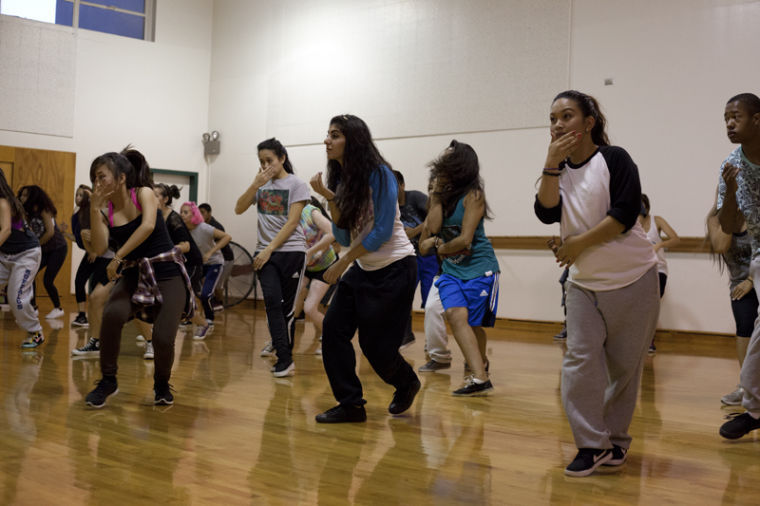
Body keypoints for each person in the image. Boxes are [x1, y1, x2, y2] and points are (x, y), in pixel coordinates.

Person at [534, 90, 659, 477]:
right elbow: (545, 211)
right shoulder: (556, 169)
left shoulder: (614, 158)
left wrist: (575, 245)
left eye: (567, 116)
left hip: (634, 277)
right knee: (579, 362)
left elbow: (624, 215)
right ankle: (591, 444)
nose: (557, 124)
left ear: (589, 122)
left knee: (624, 369)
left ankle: (615, 442)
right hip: (584, 283)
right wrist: (550, 165)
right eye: (553, 118)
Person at [310, 114, 420, 423]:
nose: (327, 140)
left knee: (376, 348)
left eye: (335, 135)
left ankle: (407, 382)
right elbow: (344, 235)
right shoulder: (342, 180)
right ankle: (351, 405)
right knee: (333, 330)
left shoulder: (380, 175)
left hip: (396, 268)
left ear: (353, 140)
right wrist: (331, 199)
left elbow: (382, 230)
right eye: (327, 134)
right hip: (363, 266)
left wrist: (344, 261)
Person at [84, 151, 193, 408]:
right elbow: (99, 248)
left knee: (163, 338)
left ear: (121, 178)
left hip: (166, 271)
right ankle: (108, 380)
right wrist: (93, 208)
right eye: (94, 178)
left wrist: (118, 257)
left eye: (102, 177)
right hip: (134, 273)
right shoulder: (105, 210)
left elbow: (146, 227)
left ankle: (162, 384)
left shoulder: (143, 193)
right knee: (112, 314)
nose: (97, 183)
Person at [418, 140, 500, 396]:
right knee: (454, 314)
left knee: (474, 325)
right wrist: (435, 195)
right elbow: (429, 232)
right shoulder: (441, 196)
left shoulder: (474, 195)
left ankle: (479, 363)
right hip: (452, 271)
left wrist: (439, 248)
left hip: (479, 268)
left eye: (448, 157)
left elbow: (465, 239)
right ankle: (480, 378)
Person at [235, 137, 309, 377]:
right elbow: (238, 207)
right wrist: (254, 185)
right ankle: (285, 359)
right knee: (271, 303)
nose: (266, 165)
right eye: (261, 161)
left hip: (291, 252)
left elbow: (293, 222)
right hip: (264, 254)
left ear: (282, 158)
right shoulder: (261, 185)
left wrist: (269, 249)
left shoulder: (297, 184)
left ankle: (286, 354)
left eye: (270, 160)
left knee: (287, 310)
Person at [715, 93, 760, 440]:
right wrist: (730, 192)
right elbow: (728, 226)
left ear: (757, 119)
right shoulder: (731, 164)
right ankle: (754, 407)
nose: (729, 123)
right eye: (726, 118)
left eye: (736, 117)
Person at [706, 199, 755, 406]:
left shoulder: (754, 216)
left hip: (757, 281)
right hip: (739, 287)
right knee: (744, 330)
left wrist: (751, 281)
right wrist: (727, 212)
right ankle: (746, 387)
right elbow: (720, 245)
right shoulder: (714, 220)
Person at [393, 170, 439, 350]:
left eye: (394, 186)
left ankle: (432, 343)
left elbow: (435, 216)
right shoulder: (389, 205)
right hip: (407, 258)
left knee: (430, 301)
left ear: (402, 186)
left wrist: (416, 231)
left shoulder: (416, 198)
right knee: (402, 296)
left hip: (428, 256)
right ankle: (406, 335)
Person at [0, 169, 43, 348]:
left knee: (16, 297)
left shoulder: (3, 202)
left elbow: (6, 230)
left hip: (25, 254)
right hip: (4, 254)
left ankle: (35, 332)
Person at [291, 197, 338, 355]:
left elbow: (333, 233)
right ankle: (279, 340)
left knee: (310, 308)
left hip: (325, 266)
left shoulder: (310, 211)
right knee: (291, 304)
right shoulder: (285, 217)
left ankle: (332, 337)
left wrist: (312, 252)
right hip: (306, 266)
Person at [181, 201, 231, 339]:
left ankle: (209, 320)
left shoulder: (204, 228)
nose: (182, 215)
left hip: (214, 264)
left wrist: (211, 252)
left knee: (206, 294)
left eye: (186, 212)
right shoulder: (183, 230)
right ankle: (190, 318)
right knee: (188, 291)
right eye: (181, 212)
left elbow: (227, 237)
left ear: (193, 214)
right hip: (198, 265)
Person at [18, 185, 68, 319]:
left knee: (48, 280)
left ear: (33, 197)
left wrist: (36, 245)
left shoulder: (43, 210)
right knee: (30, 275)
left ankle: (58, 308)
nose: (22, 198)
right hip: (44, 249)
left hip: (58, 248)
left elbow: (50, 232)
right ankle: (33, 307)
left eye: (25, 195)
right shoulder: (28, 213)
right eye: (21, 195)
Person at [198, 203, 235, 308]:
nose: (201, 215)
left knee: (218, 285)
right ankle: (213, 303)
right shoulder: (200, 225)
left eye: (203, 213)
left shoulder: (216, 226)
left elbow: (218, 244)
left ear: (209, 213)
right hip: (211, 260)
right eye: (199, 213)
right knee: (206, 281)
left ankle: (219, 303)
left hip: (225, 259)